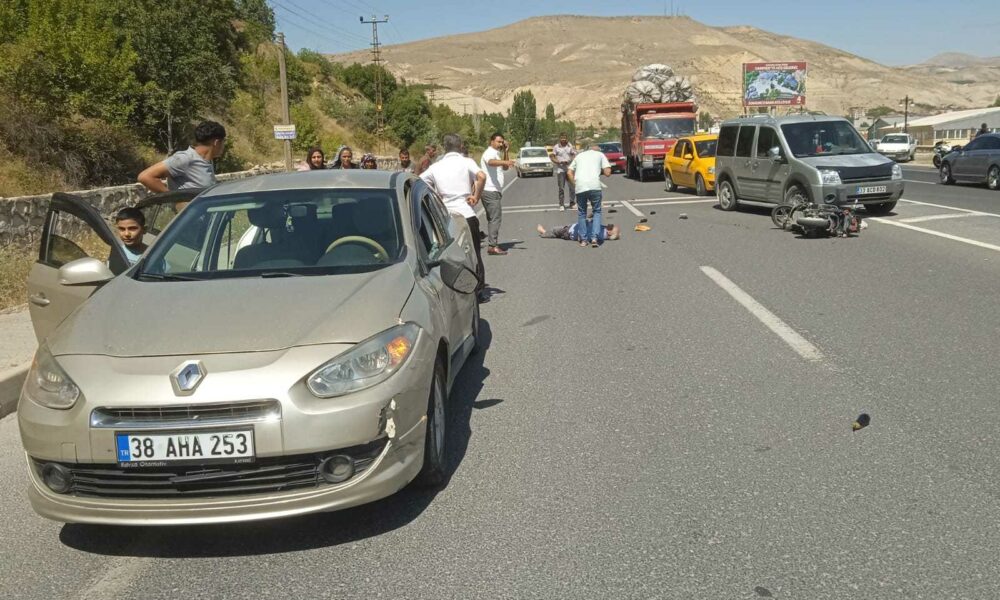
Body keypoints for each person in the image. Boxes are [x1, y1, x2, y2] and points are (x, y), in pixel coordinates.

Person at [419, 133, 488, 301]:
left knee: (448, 254)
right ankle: (478, 289)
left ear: (444, 147)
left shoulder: (436, 167)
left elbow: (419, 182)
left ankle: (452, 289)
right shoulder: (467, 162)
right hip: (466, 213)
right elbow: (482, 176)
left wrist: (436, 197)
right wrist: (476, 196)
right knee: (473, 252)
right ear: (460, 146)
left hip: (445, 217)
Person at [137, 121, 226, 193]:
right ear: (216, 142)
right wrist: (173, 198)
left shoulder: (207, 161)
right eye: (223, 142)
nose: (223, 146)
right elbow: (145, 177)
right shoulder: (185, 159)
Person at [567, 144, 612, 247]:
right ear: (597, 150)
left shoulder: (579, 156)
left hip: (580, 186)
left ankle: (583, 240)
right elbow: (608, 173)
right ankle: (594, 238)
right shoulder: (600, 155)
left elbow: (569, 172)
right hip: (594, 186)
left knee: (582, 213)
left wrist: (575, 184)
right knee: (596, 211)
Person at [479, 132, 515, 256]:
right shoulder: (489, 152)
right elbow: (490, 162)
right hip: (490, 190)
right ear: (492, 141)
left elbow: (505, 168)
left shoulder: (497, 153)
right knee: (495, 219)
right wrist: (505, 162)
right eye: (498, 142)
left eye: (502, 142)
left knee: (493, 218)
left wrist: (506, 151)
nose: (500, 144)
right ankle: (492, 246)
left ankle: (493, 244)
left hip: (494, 190)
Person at [550, 133, 577, 210]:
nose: (563, 139)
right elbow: (552, 157)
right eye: (562, 138)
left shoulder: (570, 145)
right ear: (560, 138)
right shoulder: (556, 147)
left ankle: (572, 203)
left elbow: (574, 154)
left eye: (564, 138)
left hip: (569, 169)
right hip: (561, 170)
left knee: (572, 187)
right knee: (561, 188)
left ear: (566, 138)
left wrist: (570, 160)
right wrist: (558, 162)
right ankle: (561, 205)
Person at [536, 221, 621, 241]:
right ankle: (544, 232)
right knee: (557, 232)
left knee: (555, 231)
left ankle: (543, 232)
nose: (610, 225)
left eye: (611, 227)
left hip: (569, 232)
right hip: (572, 229)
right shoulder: (603, 231)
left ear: (609, 232)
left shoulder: (600, 233)